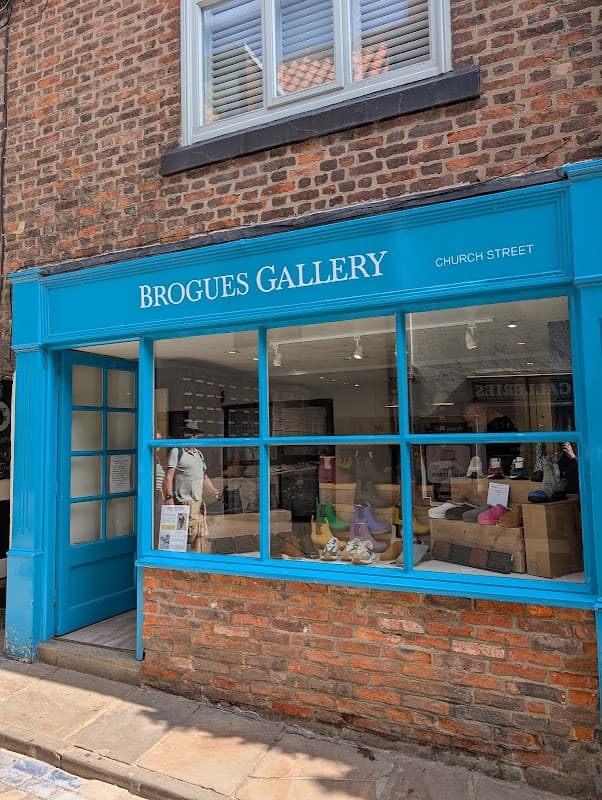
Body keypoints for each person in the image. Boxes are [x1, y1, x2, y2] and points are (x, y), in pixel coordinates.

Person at [163, 420, 221, 552]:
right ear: (184, 435)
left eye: (194, 434)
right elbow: (169, 476)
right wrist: (169, 497)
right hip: (184, 500)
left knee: (199, 533)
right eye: (189, 433)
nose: (192, 436)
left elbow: (204, 476)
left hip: (198, 500)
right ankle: (183, 563)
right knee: (185, 534)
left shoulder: (199, 454)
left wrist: (212, 489)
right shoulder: (177, 451)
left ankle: (197, 560)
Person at [463, 401, 520, 476]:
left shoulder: (502, 426)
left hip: (501, 471)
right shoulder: (487, 428)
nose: (471, 425)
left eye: (471, 420)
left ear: (481, 412)